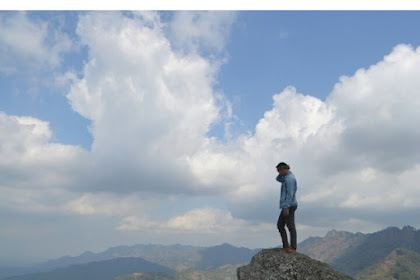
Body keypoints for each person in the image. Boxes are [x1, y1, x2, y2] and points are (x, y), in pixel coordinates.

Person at [276, 162, 298, 252]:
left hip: (289, 205)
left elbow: (290, 194)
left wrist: (286, 208)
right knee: (281, 225)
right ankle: (287, 246)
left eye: (279, 170)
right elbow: (278, 179)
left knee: (289, 226)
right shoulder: (286, 178)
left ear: (284, 169)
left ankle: (292, 247)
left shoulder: (289, 179)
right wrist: (282, 173)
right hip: (288, 205)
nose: (278, 173)